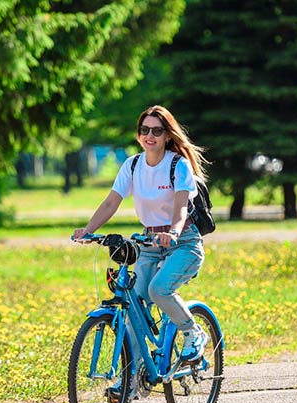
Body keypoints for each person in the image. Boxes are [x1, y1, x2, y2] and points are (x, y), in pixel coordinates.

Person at [72, 104, 210, 365]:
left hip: (184, 242)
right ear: (138, 134)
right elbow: (111, 203)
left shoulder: (177, 166)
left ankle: (193, 332)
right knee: (133, 304)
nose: (150, 135)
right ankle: (132, 378)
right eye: (144, 130)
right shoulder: (132, 165)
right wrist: (88, 231)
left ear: (167, 135)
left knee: (158, 289)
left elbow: (181, 207)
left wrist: (173, 232)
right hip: (149, 243)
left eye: (157, 131)